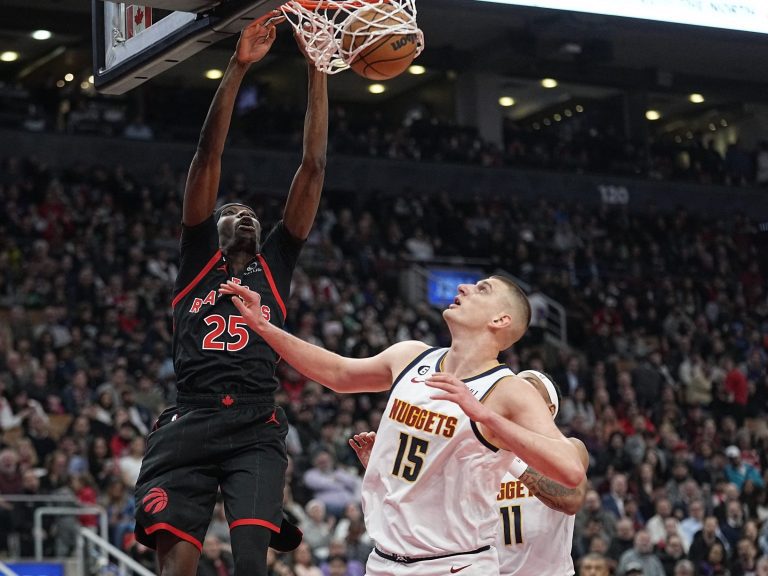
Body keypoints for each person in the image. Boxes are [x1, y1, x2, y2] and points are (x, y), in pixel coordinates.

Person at [221, 275, 585, 575]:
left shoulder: (507, 390)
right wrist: (262, 326)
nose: (463, 289)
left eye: (482, 289)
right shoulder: (411, 355)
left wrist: (485, 414)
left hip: (455, 566)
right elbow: (336, 373)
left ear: (500, 321)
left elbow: (570, 471)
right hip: (383, 561)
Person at [133, 17, 328, 576]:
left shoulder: (277, 263)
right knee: (178, 564)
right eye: (230, 211)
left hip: (253, 423)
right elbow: (206, 158)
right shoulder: (196, 258)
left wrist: (317, 71)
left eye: (252, 213)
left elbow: (312, 167)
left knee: (250, 560)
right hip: (190, 420)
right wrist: (238, 66)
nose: (243, 212)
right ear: (211, 225)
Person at [348, 369, 589, 575]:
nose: (517, 388)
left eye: (530, 386)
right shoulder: (475, 450)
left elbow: (571, 499)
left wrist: (513, 457)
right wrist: (380, 471)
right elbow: (426, 508)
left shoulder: (568, 450)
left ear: (548, 409)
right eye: (515, 382)